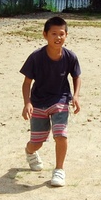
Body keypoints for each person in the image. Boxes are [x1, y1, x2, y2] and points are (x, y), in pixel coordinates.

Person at [20, 16, 82, 187]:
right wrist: (27, 103)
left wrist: (75, 96)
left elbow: (77, 76)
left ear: (66, 35)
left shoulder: (70, 57)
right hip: (39, 102)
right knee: (36, 143)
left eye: (62, 34)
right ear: (45, 35)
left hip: (60, 99)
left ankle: (59, 170)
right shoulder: (36, 57)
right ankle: (30, 152)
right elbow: (27, 83)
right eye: (54, 34)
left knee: (60, 134)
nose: (58, 37)